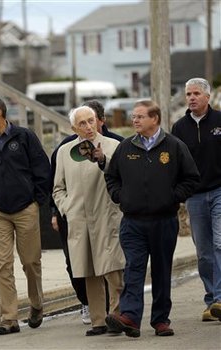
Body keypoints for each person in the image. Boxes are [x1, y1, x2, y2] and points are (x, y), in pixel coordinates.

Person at [105, 100, 200, 337]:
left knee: (161, 270)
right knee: (134, 269)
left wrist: (172, 198)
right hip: (133, 222)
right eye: (133, 116)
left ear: (154, 119)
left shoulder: (174, 146)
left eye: (139, 116)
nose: (134, 120)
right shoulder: (126, 148)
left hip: (164, 221)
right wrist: (121, 197)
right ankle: (130, 317)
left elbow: (191, 179)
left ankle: (160, 320)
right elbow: (111, 177)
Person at [0, 97, 50, 335]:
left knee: (30, 262)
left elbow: (43, 170)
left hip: (26, 209)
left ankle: (36, 304)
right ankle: (9, 318)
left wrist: (36, 201)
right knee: (2, 264)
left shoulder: (24, 137)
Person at [49, 100, 124, 325]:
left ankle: (117, 315)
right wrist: (67, 208)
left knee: (112, 268)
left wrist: (103, 160)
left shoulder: (113, 146)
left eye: (91, 121)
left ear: (98, 121)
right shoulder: (64, 151)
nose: (88, 126)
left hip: (107, 215)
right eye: (82, 123)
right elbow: (57, 188)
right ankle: (98, 321)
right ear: (74, 129)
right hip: (79, 218)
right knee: (89, 269)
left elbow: (123, 178)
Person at [171, 78, 221, 322]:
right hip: (195, 196)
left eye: (196, 93)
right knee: (203, 252)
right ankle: (212, 300)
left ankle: (220, 299)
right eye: (188, 94)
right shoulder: (179, 128)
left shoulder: (220, 121)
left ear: (207, 97)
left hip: (220, 192)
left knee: (220, 243)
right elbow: (174, 164)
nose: (191, 98)